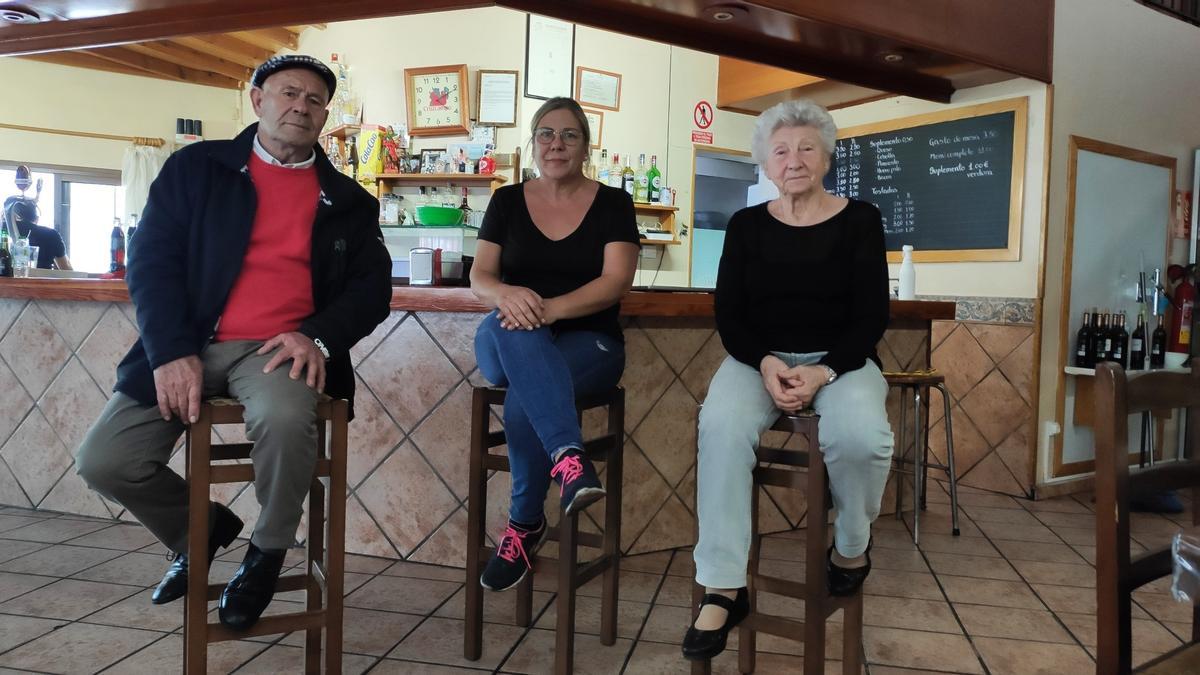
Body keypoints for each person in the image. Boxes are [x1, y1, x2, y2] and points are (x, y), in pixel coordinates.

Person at [74, 54, 392, 631]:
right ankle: (202, 531)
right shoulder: (196, 168)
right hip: (188, 342)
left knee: (285, 418)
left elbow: (373, 291)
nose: (301, 105)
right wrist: (170, 351)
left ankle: (267, 553)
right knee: (105, 460)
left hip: (278, 350)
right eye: (288, 92)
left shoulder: (348, 200)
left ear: (324, 116)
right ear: (257, 100)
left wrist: (317, 337)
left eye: (315, 100)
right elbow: (151, 263)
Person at [681, 99, 894, 661]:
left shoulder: (861, 219)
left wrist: (824, 369)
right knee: (721, 425)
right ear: (766, 164)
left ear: (826, 157)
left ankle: (850, 546)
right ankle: (724, 586)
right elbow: (730, 314)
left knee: (861, 437)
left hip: (841, 361)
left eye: (806, 147)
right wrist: (768, 362)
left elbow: (872, 315)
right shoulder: (747, 225)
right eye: (781, 150)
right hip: (760, 360)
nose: (793, 159)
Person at [469, 97, 640, 592]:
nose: (556, 144)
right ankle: (569, 457)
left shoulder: (613, 204)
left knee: (527, 396)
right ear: (533, 141)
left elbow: (616, 281)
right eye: (546, 133)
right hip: (507, 340)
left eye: (569, 135)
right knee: (508, 325)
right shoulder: (506, 201)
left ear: (586, 145)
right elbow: (481, 277)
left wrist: (548, 308)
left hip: (591, 343)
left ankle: (523, 528)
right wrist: (507, 295)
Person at [2, 198, 72, 270]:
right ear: (36, 219)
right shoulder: (51, 234)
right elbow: (67, 270)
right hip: (41, 280)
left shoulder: (3, 230)